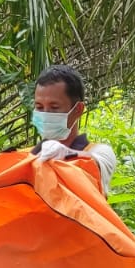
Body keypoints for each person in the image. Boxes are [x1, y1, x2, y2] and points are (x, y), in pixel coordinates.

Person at [29, 64, 118, 194]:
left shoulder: (100, 152)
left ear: (78, 110)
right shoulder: (28, 156)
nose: (45, 114)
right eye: (39, 107)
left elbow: (94, 163)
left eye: (54, 107)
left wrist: (66, 154)